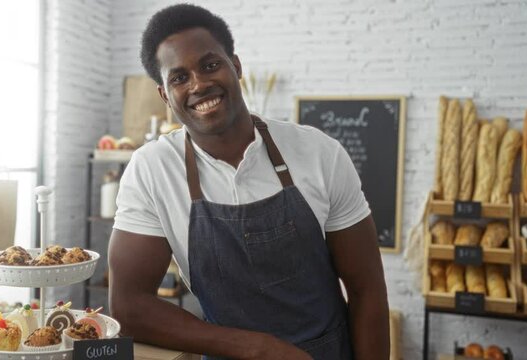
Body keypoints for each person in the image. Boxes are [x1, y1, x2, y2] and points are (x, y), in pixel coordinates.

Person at [108, 4, 389, 360]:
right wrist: (257, 349)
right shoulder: (151, 170)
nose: (199, 84)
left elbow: (368, 291)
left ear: (235, 66)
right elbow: (129, 307)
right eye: (179, 77)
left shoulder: (319, 153)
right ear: (165, 95)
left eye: (210, 65)